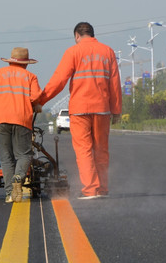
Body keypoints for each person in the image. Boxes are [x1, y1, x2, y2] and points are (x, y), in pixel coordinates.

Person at [39, 22, 122, 199]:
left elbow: (59, 81)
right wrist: (116, 110)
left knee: (84, 150)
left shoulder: (73, 52)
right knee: (101, 149)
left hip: (79, 110)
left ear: (77, 36)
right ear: (92, 34)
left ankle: (91, 189)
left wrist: (41, 100)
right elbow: (114, 84)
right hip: (102, 109)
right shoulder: (108, 52)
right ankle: (102, 189)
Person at [0, 47, 42, 203]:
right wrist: (36, 105)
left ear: (10, 61)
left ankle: (9, 194)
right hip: (21, 119)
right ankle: (18, 177)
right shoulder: (30, 76)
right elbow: (35, 96)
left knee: (6, 159)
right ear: (26, 63)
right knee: (24, 155)